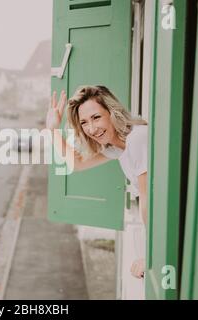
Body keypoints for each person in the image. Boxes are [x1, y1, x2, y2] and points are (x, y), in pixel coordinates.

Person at [46, 85, 148, 279]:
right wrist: (52, 130)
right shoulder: (117, 146)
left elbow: (148, 202)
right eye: (84, 122)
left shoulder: (136, 139)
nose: (91, 129)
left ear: (112, 112)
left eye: (96, 117)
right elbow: (76, 163)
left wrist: (149, 255)